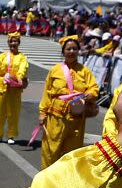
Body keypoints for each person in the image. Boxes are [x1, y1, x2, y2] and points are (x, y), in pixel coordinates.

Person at [38, 35, 99, 167]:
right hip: (56, 118)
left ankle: (65, 183)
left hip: (76, 119)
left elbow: (94, 88)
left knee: (72, 153)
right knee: (51, 150)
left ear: (78, 51)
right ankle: (46, 180)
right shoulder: (55, 70)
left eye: (74, 49)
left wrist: (88, 95)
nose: (71, 52)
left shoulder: (85, 71)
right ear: (63, 51)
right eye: (68, 49)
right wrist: (43, 113)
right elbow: (47, 93)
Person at [0, 32, 28, 144]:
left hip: (14, 90)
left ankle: (11, 135)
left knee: (13, 113)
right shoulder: (3, 56)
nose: (13, 43)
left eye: (15, 41)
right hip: (1, 88)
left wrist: (17, 79)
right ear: (8, 43)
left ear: (18, 43)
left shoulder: (22, 57)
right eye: (11, 41)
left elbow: (22, 70)